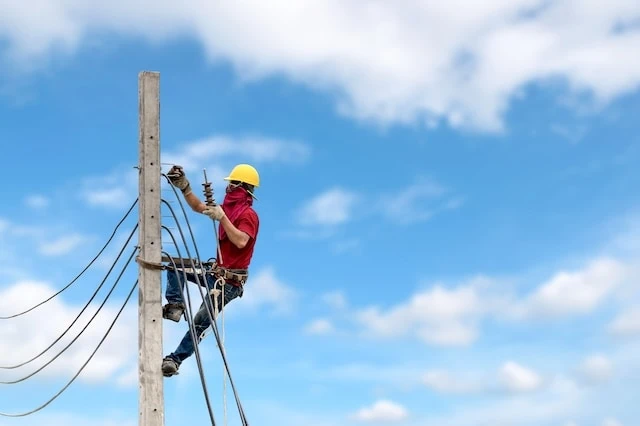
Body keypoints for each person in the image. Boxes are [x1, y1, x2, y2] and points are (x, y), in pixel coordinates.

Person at [161, 163, 260, 377]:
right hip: (214, 273)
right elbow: (199, 207)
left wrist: (222, 217)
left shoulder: (248, 215)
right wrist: (185, 187)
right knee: (174, 265)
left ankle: (175, 360)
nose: (228, 188)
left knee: (200, 321)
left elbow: (242, 241)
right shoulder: (228, 209)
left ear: (242, 187)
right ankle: (176, 305)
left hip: (229, 284)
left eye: (232, 183)